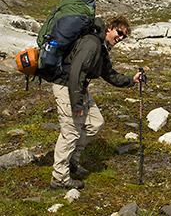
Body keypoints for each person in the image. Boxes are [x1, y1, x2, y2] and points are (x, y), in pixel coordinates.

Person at [50, 15, 141, 189]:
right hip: (66, 86)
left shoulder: (102, 47)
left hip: (78, 87)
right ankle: (59, 177)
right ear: (109, 27)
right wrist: (76, 104)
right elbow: (77, 71)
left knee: (95, 122)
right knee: (71, 132)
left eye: (124, 36)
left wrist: (131, 80)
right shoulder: (92, 43)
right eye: (119, 32)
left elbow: (109, 74)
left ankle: (72, 161)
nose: (121, 38)